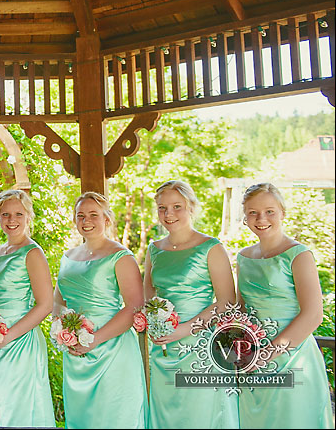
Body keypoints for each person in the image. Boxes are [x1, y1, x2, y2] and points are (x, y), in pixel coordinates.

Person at [235, 183, 333, 429]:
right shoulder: (243, 257)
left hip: (293, 359)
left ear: (282, 213)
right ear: (245, 217)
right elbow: (241, 310)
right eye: (253, 212)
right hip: (252, 360)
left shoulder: (299, 255)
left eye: (269, 211)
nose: (261, 219)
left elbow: (313, 315)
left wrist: (265, 355)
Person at [144, 180, 238, 429]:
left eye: (177, 206)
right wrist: (153, 324)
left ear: (191, 207)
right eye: (162, 208)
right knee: (167, 415)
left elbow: (227, 301)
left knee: (200, 416)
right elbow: (148, 297)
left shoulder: (211, 247)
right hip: (163, 349)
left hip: (199, 348)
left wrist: (184, 329)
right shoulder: (154, 250)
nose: (169, 214)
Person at [54, 192, 147, 429]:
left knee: (113, 417)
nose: (86, 221)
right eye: (80, 215)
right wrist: (64, 333)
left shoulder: (121, 256)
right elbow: (58, 302)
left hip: (111, 350)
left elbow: (134, 307)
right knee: (82, 419)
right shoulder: (68, 257)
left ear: (106, 219)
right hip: (75, 352)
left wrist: (94, 339)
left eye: (93, 215)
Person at [0, 189, 55, 427]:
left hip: (20, 342)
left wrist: (7, 336)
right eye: (6, 214)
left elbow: (46, 305)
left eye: (18, 214)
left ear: (28, 216)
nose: (12, 220)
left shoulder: (32, 253)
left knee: (19, 411)